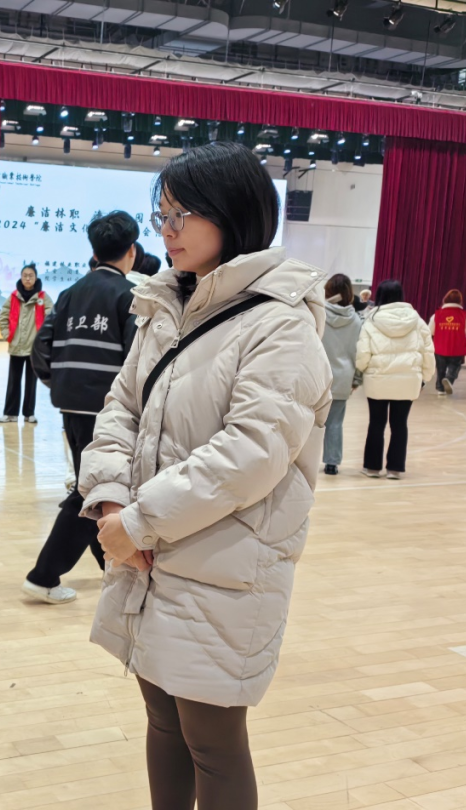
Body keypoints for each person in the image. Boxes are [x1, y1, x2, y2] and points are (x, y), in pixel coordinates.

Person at [78, 142, 332, 810]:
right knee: (163, 720)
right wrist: (110, 501)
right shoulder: (166, 305)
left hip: (224, 562)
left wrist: (138, 522)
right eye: (161, 214)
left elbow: (251, 453)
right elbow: (121, 409)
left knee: (213, 743)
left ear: (233, 213)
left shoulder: (280, 324)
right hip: (149, 555)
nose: (166, 229)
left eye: (182, 214)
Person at [22, 211, 140, 604]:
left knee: (92, 484)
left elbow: (41, 345)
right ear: (131, 251)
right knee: (91, 490)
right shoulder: (128, 296)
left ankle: (110, 567)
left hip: (72, 405)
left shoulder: (70, 292)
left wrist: (61, 384)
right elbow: (137, 360)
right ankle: (43, 576)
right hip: (108, 410)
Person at [356, 280, 435, 479]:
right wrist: (425, 378)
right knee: (400, 425)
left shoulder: (371, 320)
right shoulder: (417, 321)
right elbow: (428, 351)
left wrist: (361, 370)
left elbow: (363, 352)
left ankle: (372, 467)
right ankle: (395, 469)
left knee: (376, 423)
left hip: (377, 379)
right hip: (408, 380)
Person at [0, 264, 53, 424]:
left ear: (36, 278)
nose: (28, 278)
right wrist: (7, 334)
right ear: (21, 277)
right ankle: (10, 413)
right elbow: (3, 316)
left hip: (34, 348)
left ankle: (29, 413)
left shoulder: (43, 297)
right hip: (17, 346)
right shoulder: (13, 296)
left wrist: (44, 340)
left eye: (31, 275)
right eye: (25, 275)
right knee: (13, 382)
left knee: (31, 382)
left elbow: (51, 318)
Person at [321, 273, 363, 476]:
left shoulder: (318, 314)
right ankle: (332, 463)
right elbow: (358, 353)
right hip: (342, 378)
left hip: (317, 377)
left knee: (309, 422)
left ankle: (300, 462)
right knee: (335, 423)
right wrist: (356, 379)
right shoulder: (356, 320)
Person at [429, 289, 466, 395]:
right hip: (457, 348)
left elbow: (430, 330)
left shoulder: (437, 314)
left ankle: (440, 389)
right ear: (460, 301)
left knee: (440, 369)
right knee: (455, 367)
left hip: (440, 347)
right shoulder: (464, 315)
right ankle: (449, 379)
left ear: (445, 299)